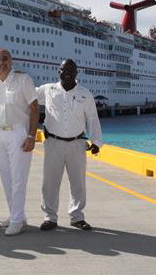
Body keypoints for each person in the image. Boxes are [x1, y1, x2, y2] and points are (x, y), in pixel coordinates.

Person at [36, 59, 102, 231]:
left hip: (77, 143)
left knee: (78, 182)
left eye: (71, 69)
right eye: (64, 69)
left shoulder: (85, 94)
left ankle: (77, 216)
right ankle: (50, 217)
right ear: (58, 71)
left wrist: (96, 142)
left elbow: (92, 118)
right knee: (50, 182)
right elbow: (26, 95)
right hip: (53, 143)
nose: (67, 72)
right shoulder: (47, 89)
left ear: (77, 72)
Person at [0, 49, 39, 236]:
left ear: (11, 60)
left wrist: (31, 136)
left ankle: (16, 221)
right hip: (0, 133)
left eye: (4, 59)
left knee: (18, 178)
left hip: (19, 132)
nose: (1, 62)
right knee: (7, 178)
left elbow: (34, 108)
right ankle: (16, 214)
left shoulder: (23, 80)